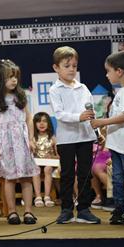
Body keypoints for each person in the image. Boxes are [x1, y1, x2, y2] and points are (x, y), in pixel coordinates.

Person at [91, 51, 124, 225]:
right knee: (117, 178)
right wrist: (106, 134)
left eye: (108, 71)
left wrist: (102, 122)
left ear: (119, 71)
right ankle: (120, 209)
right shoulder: (122, 91)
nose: (107, 75)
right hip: (117, 144)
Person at [49, 46, 101, 224]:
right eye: (67, 66)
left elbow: (91, 112)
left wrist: (97, 132)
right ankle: (66, 209)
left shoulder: (83, 88)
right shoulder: (55, 89)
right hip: (66, 139)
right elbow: (60, 114)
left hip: (86, 137)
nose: (71, 69)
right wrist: (79, 117)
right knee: (67, 175)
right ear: (56, 68)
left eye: (74, 65)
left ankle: (84, 209)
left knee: (85, 174)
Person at [0, 60, 39, 225]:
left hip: (22, 142)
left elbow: (29, 118)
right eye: (10, 77)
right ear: (0, 79)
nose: (14, 80)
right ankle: (12, 212)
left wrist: (31, 139)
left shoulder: (21, 97)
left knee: (26, 177)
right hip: (5, 143)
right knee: (9, 178)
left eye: (15, 76)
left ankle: (28, 211)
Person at [31, 112, 59, 208]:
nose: (41, 124)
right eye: (38, 121)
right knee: (36, 169)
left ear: (48, 123)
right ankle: (38, 196)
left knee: (48, 168)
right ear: (34, 124)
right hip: (36, 163)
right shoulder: (33, 138)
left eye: (44, 121)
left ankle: (47, 196)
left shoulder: (52, 138)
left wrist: (52, 157)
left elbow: (58, 156)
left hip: (49, 163)